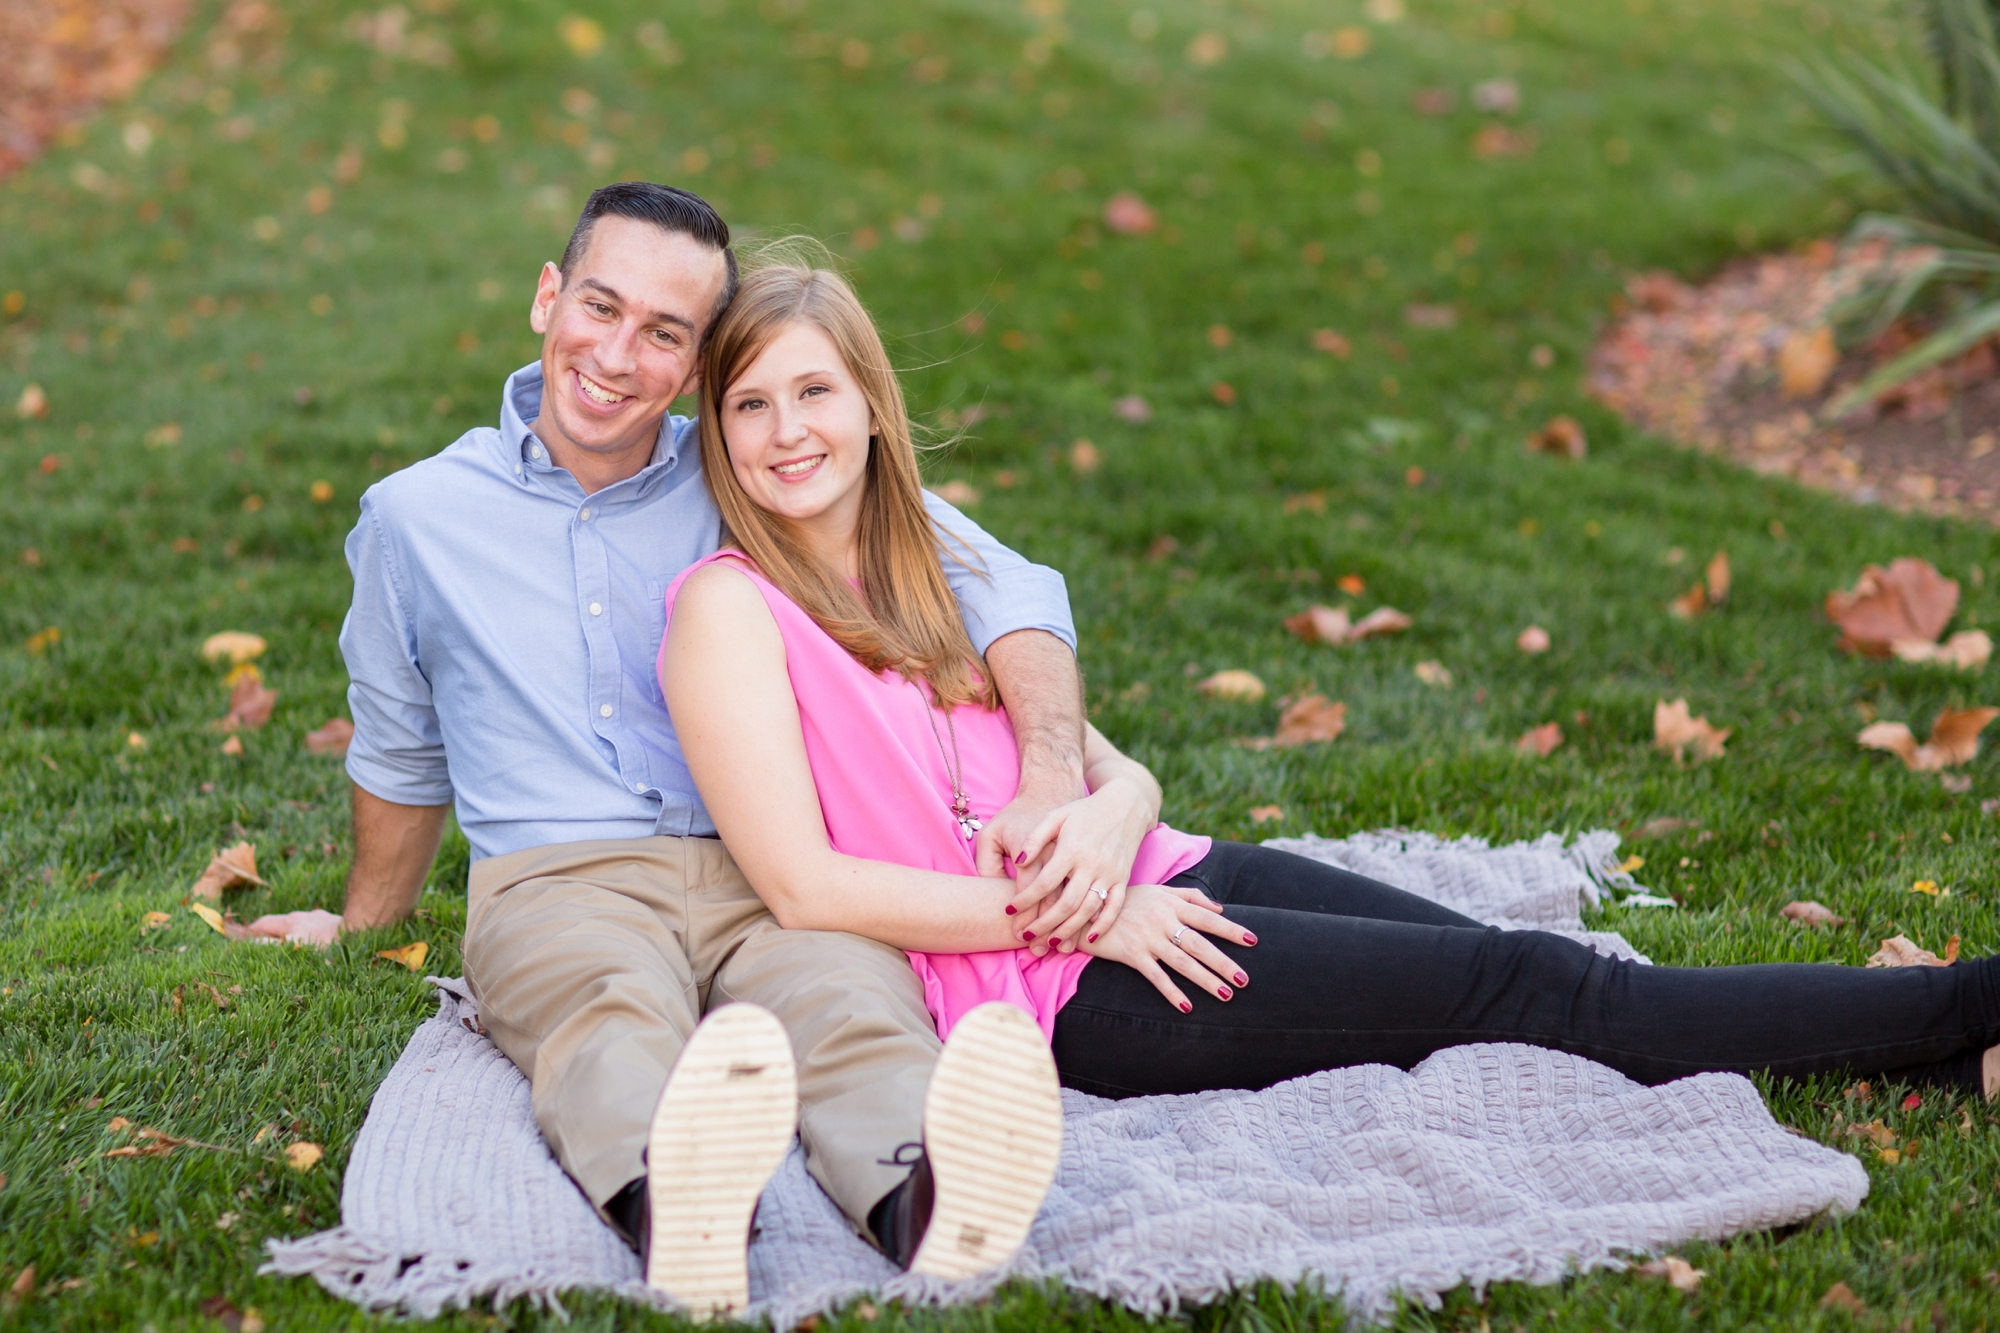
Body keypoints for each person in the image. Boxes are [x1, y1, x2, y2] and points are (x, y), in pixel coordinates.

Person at [660, 258, 2000, 1141]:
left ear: (873, 405)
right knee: (1525, 983)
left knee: (1531, 972)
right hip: (1061, 983)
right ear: (717, 437)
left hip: (1160, 873)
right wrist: (1083, 908)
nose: (788, 434)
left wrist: (1117, 804)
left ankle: (1948, 1064)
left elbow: (1101, 761)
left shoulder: (922, 550)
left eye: (814, 392)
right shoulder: (728, 606)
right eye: (750, 407)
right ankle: (1967, 1005)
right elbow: (805, 883)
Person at [301, 183, 1159, 1316]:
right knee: (604, 1009)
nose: (617, 354)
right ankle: (674, 1196)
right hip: (562, 878)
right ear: (546, 298)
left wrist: (1057, 776)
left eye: (664, 333)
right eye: (599, 308)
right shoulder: (415, 515)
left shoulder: (756, 468)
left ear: (699, 363)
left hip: (770, 865)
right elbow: (403, 750)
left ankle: (930, 1197)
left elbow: (1004, 589)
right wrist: (365, 919)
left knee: (853, 998)